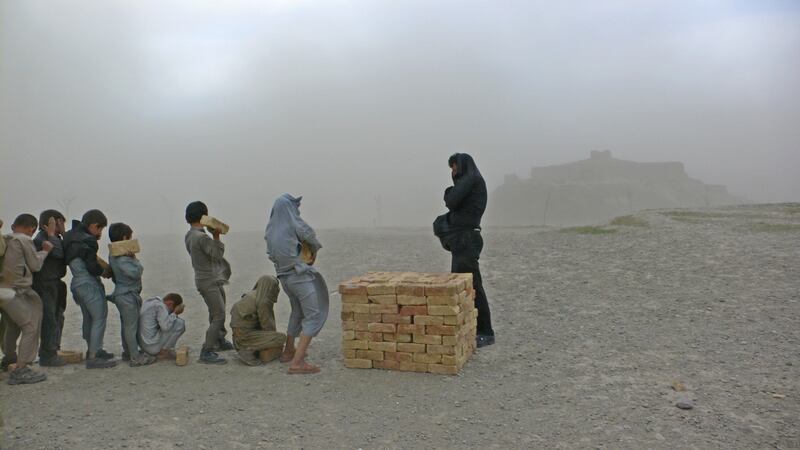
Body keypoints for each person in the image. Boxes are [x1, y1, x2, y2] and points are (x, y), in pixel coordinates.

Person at [265, 193, 329, 374]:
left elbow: (270, 254)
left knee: (297, 311)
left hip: (284, 278)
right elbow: (309, 234)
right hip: (299, 276)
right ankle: (298, 362)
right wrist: (313, 251)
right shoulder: (294, 223)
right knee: (313, 315)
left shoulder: (269, 231)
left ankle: (288, 351)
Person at [442, 153, 495, 347]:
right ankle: (472, 327)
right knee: (464, 284)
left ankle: (486, 331)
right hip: (464, 238)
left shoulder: (471, 180)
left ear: (463, 165)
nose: (453, 172)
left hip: (467, 239)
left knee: (471, 285)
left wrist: (449, 190)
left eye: (454, 167)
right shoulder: (470, 181)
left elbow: (451, 201)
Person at [0, 214, 53, 384]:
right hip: (16, 291)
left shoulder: (6, 239)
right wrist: (45, 251)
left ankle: (9, 359)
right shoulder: (24, 239)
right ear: (32, 229)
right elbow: (35, 265)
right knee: (30, 326)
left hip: (3, 291)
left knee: (12, 326)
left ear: (14, 225)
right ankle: (21, 369)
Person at [63, 209, 117, 368]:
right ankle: (93, 356)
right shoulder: (88, 240)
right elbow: (92, 267)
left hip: (77, 283)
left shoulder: (70, 236)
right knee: (99, 317)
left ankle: (93, 349)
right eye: (99, 228)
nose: (99, 232)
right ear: (94, 225)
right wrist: (104, 272)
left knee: (88, 318)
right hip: (88, 282)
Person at [184, 201, 231, 364]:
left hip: (205, 278)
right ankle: (207, 350)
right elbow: (216, 255)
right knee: (219, 314)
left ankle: (219, 339)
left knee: (216, 310)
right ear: (204, 216)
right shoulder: (201, 237)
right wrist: (216, 236)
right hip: (209, 280)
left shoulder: (190, 235)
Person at [108, 223, 155, 367]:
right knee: (131, 327)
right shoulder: (122, 259)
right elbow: (136, 273)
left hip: (123, 294)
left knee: (126, 326)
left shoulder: (114, 255)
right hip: (127, 296)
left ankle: (128, 352)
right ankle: (135, 357)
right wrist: (134, 259)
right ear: (124, 238)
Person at [32, 210, 68, 367]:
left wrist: (62, 234)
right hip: (45, 283)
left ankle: (51, 349)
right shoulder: (42, 238)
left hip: (54, 283)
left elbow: (67, 251)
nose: (61, 226)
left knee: (56, 317)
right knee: (49, 320)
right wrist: (53, 234)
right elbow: (60, 253)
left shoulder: (55, 237)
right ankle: (48, 355)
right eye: (59, 223)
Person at [230, 275, 287, 366]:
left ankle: (247, 347)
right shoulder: (263, 301)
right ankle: (247, 350)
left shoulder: (251, 294)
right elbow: (267, 326)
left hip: (238, 335)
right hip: (245, 337)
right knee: (281, 337)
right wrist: (274, 343)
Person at [138, 293, 186, 359]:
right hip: (151, 347)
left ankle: (162, 351)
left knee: (173, 321)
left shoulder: (150, 301)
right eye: (171, 310)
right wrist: (175, 313)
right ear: (170, 303)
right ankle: (164, 352)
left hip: (144, 345)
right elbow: (165, 327)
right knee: (180, 323)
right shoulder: (160, 306)